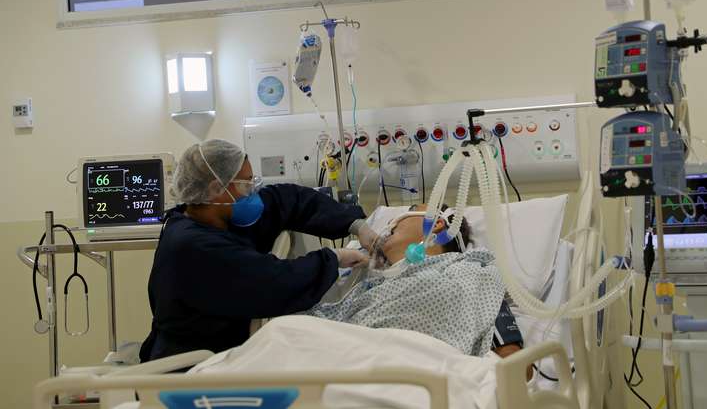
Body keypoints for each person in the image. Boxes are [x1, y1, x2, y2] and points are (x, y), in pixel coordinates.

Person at [140, 139, 371, 361]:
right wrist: (332, 259)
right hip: (193, 365)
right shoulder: (192, 246)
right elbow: (275, 281)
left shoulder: (220, 217)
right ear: (216, 188)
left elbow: (288, 200)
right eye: (246, 184)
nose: (253, 190)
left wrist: (354, 223)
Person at [305, 203, 527, 364]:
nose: (391, 223)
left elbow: (514, 364)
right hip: (351, 366)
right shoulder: (368, 286)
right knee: (280, 331)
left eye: (411, 210)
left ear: (437, 223)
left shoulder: (471, 272)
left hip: (423, 375)